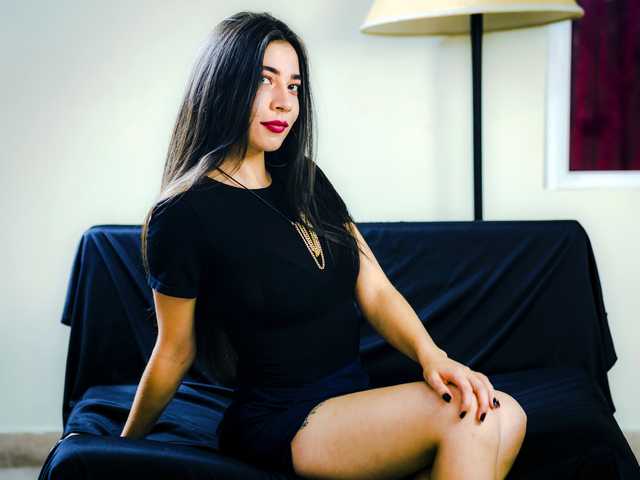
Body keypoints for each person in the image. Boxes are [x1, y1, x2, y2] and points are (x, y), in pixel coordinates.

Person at [121, 11, 527, 480]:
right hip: (282, 417)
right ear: (222, 85)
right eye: (265, 80)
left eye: (293, 86)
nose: (283, 103)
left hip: (350, 397)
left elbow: (375, 288)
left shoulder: (306, 180)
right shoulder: (183, 213)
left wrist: (432, 355)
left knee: (506, 414)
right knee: (468, 417)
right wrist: (121, 449)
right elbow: (174, 350)